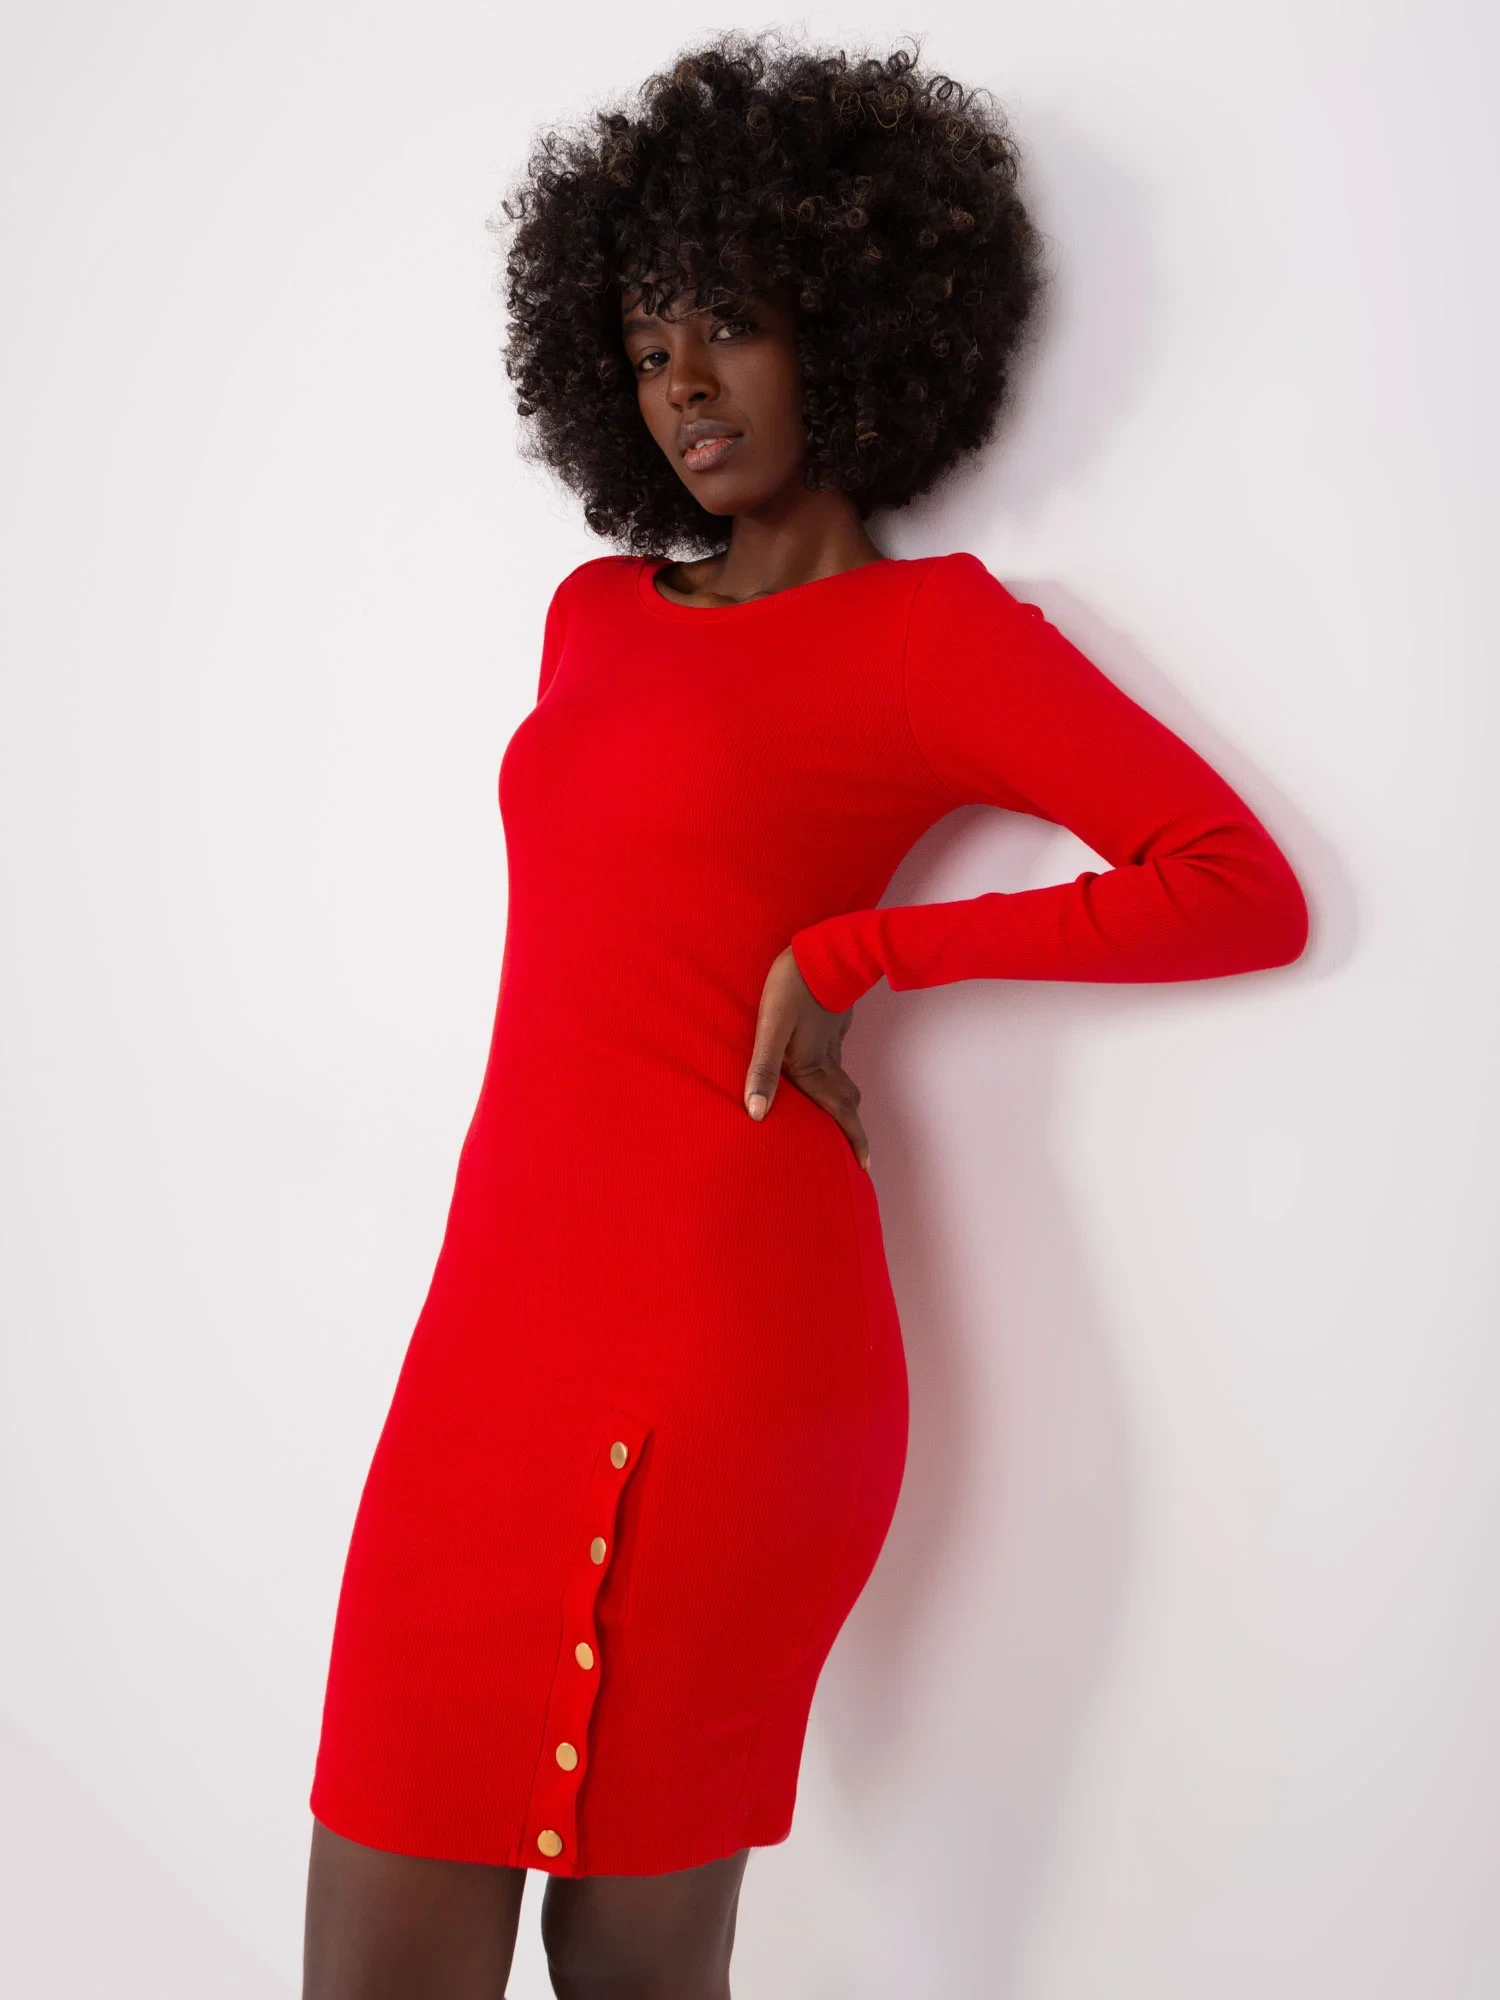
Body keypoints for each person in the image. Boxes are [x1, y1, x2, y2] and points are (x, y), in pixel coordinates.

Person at [301, 32, 1309, 2000]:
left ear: (848, 326)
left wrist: (866, 956)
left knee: (635, 1962)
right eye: (648, 342)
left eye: (731, 327)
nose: (684, 383)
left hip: (729, 1360)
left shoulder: (937, 641)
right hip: (487, 1348)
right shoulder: (593, 615)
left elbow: (1235, 883)